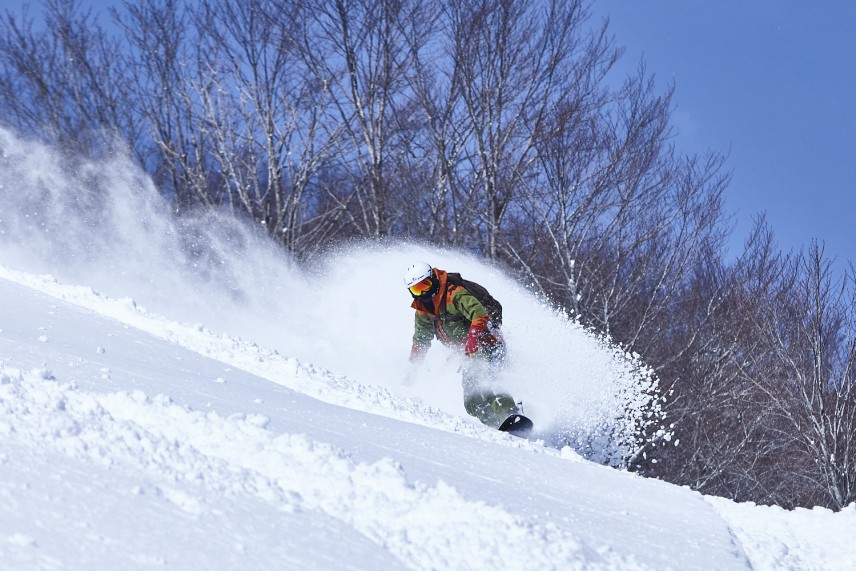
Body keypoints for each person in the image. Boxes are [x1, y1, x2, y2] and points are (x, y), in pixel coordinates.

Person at [404, 262, 518, 428]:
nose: (423, 293)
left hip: (487, 343)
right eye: (416, 290)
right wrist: (414, 366)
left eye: (425, 285)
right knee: (472, 403)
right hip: (468, 353)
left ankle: (511, 415)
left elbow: (479, 314)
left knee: (487, 382)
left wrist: (473, 339)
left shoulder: (454, 295)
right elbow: (421, 338)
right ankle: (500, 426)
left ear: (433, 280)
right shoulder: (423, 311)